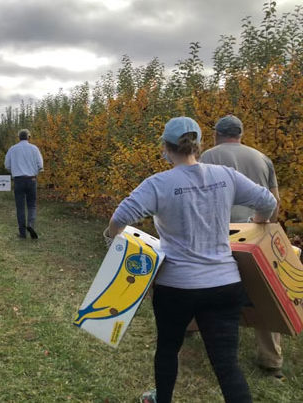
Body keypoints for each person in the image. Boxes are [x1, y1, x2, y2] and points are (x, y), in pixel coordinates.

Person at [105, 117, 276, 403]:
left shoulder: (158, 184)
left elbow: (120, 218)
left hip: (176, 288)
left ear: (165, 147)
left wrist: (112, 241)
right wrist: (256, 226)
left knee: (168, 349)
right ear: (198, 144)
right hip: (225, 285)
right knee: (226, 365)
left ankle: (163, 398)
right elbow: (267, 202)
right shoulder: (226, 175)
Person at [200, 114, 283, 379]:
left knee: (207, 286)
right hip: (254, 234)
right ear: (240, 134)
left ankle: (200, 335)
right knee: (264, 293)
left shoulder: (207, 157)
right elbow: (274, 200)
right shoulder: (262, 159)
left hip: (218, 233)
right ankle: (270, 360)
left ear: (217, 134)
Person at [4, 129, 44, 239]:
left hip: (18, 180)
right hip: (31, 179)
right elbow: (40, 165)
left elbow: (7, 165)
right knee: (32, 205)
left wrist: (15, 170)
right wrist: (34, 172)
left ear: (18, 137)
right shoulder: (34, 148)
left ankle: (22, 233)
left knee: (20, 207)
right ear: (29, 137)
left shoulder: (12, 149)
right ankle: (30, 225)